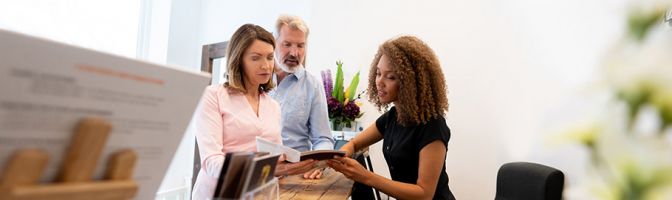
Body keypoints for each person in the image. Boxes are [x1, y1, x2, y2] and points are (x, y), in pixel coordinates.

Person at [192, 24, 317, 200]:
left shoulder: (272, 105)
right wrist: (269, 168)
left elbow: (276, 156)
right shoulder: (213, 96)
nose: (266, 66)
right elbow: (212, 162)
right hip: (220, 194)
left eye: (270, 57)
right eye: (256, 58)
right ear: (238, 59)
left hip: (262, 194)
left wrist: (291, 163)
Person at [327, 36, 456, 200]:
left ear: (411, 82)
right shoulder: (392, 117)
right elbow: (354, 143)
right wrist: (341, 156)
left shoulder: (432, 126)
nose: (379, 82)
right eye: (378, 73)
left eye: (391, 77)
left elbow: (424, 194)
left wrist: (365, 176)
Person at [270, 15, 334, 179]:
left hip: (297, 176)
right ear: (274, 43)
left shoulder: (313, 86)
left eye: (300, 45)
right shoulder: (256, 80)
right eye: (287, 44)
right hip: (258, 174)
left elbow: (323, 138)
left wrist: (319, 163)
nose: (294, 52)